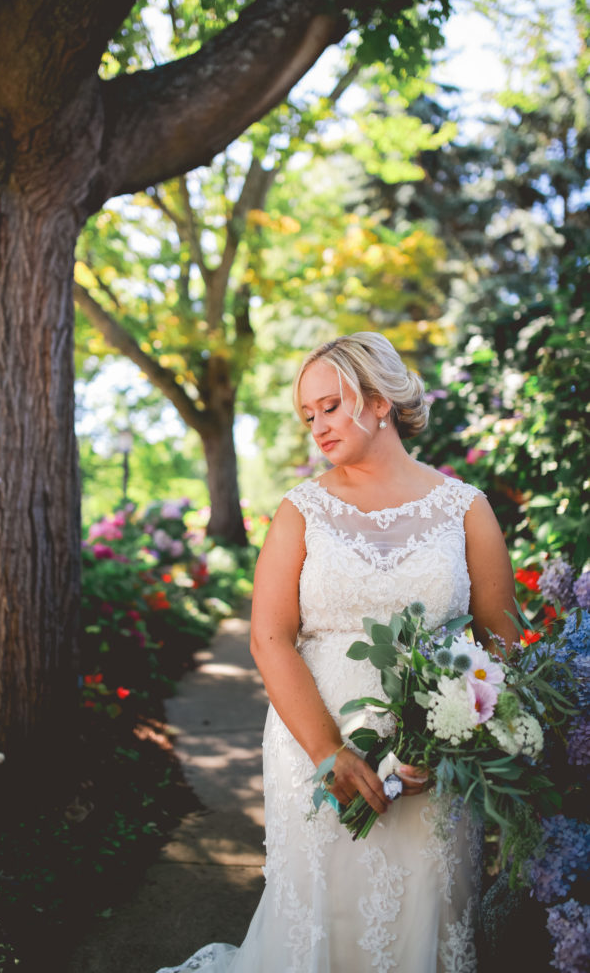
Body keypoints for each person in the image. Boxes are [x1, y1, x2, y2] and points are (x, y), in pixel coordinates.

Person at [156, 331, 518, 973]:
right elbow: (269, 638)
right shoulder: (302, 511)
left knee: (423, 915)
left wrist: (457, 738)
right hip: (313, 748)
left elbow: (500, 641)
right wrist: (329, 755)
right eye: (308, 415)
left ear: (380, 401)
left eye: (331, 405)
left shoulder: (466, 510)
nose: (317, 426)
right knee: (326, 918)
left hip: (435, 769)